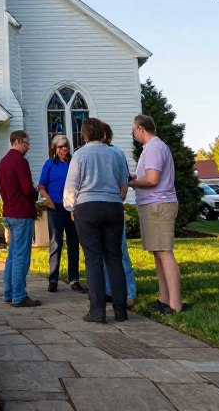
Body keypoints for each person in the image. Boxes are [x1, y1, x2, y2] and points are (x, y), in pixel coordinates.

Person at [63, 117, 129, 323]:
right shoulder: (115, 154)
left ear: (84, 135)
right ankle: (120, 310)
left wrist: (70, 206)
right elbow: (123, 181)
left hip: (88, 207)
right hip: (113, 206)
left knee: (93, 260)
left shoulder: (80, 155)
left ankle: (97, 310)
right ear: (102, 134)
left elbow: (72, 185)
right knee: (114, 258)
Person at [129, 114, 183, 314]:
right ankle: (164, 298)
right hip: (152, 204)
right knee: (157, 252)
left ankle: (175, 304)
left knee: (164, 252)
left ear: (141, 129)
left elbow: (152, 180)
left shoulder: (154, 148)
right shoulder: (150, 149)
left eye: (133, 129)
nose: (133, 133)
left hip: (158, 204)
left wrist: (130, 182)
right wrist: (136, 177)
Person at [0, 129, 41, 307]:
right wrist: (36, 193)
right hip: (22, 212)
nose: (28, 145)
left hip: (9, 211)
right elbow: (27, 189)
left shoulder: (3, 162)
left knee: (12, 255)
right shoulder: (20, 162)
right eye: (26, 142)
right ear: (18, 141)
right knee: (22, 255)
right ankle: (19, 295)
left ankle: (9, 292)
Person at [37, 134, 86, 294]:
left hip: (72, 208)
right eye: (60, 146)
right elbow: (41, 185)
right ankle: (53, 279)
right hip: (55, 208)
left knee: (73, 243)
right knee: (55, 243)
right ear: (55, 148)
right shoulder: (50, 164)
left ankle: (74, 279)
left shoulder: (74, 163)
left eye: (66, 145)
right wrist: (47, 199)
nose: (64, 148)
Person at [101, 123, 137, 308]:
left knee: (120, 251)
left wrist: (121, 196)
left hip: (113, 205)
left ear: (104, 135)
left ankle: (128, 292)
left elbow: (124, 178)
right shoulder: (92, 152)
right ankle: (108, 290)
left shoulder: (116, 153)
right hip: (101, 207)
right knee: (102, 252)